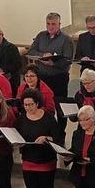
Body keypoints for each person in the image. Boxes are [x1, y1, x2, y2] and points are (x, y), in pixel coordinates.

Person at [15, 88, 60, 188]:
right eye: (25, 105)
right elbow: (16, 136)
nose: (28, 108)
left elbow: (58, 137)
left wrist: (46, 138)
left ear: (37, 103)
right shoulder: (21, 119)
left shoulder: (48, 118)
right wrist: (17, 143)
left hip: (46, 161)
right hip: (28, 160)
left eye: (31, 104)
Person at [27, 12, 74, 140]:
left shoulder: (66, 39)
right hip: (42, 77)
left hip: (59, 77)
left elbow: (68, 61)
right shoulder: (41, 36)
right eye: (48, 24)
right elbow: (31, 52)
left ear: (59, 24)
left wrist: (53, 62)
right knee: (42, 105)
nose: (51, 26)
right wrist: (42, 55)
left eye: (53, 24)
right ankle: (45, 132)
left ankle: (60, 134)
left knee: (59, 107)